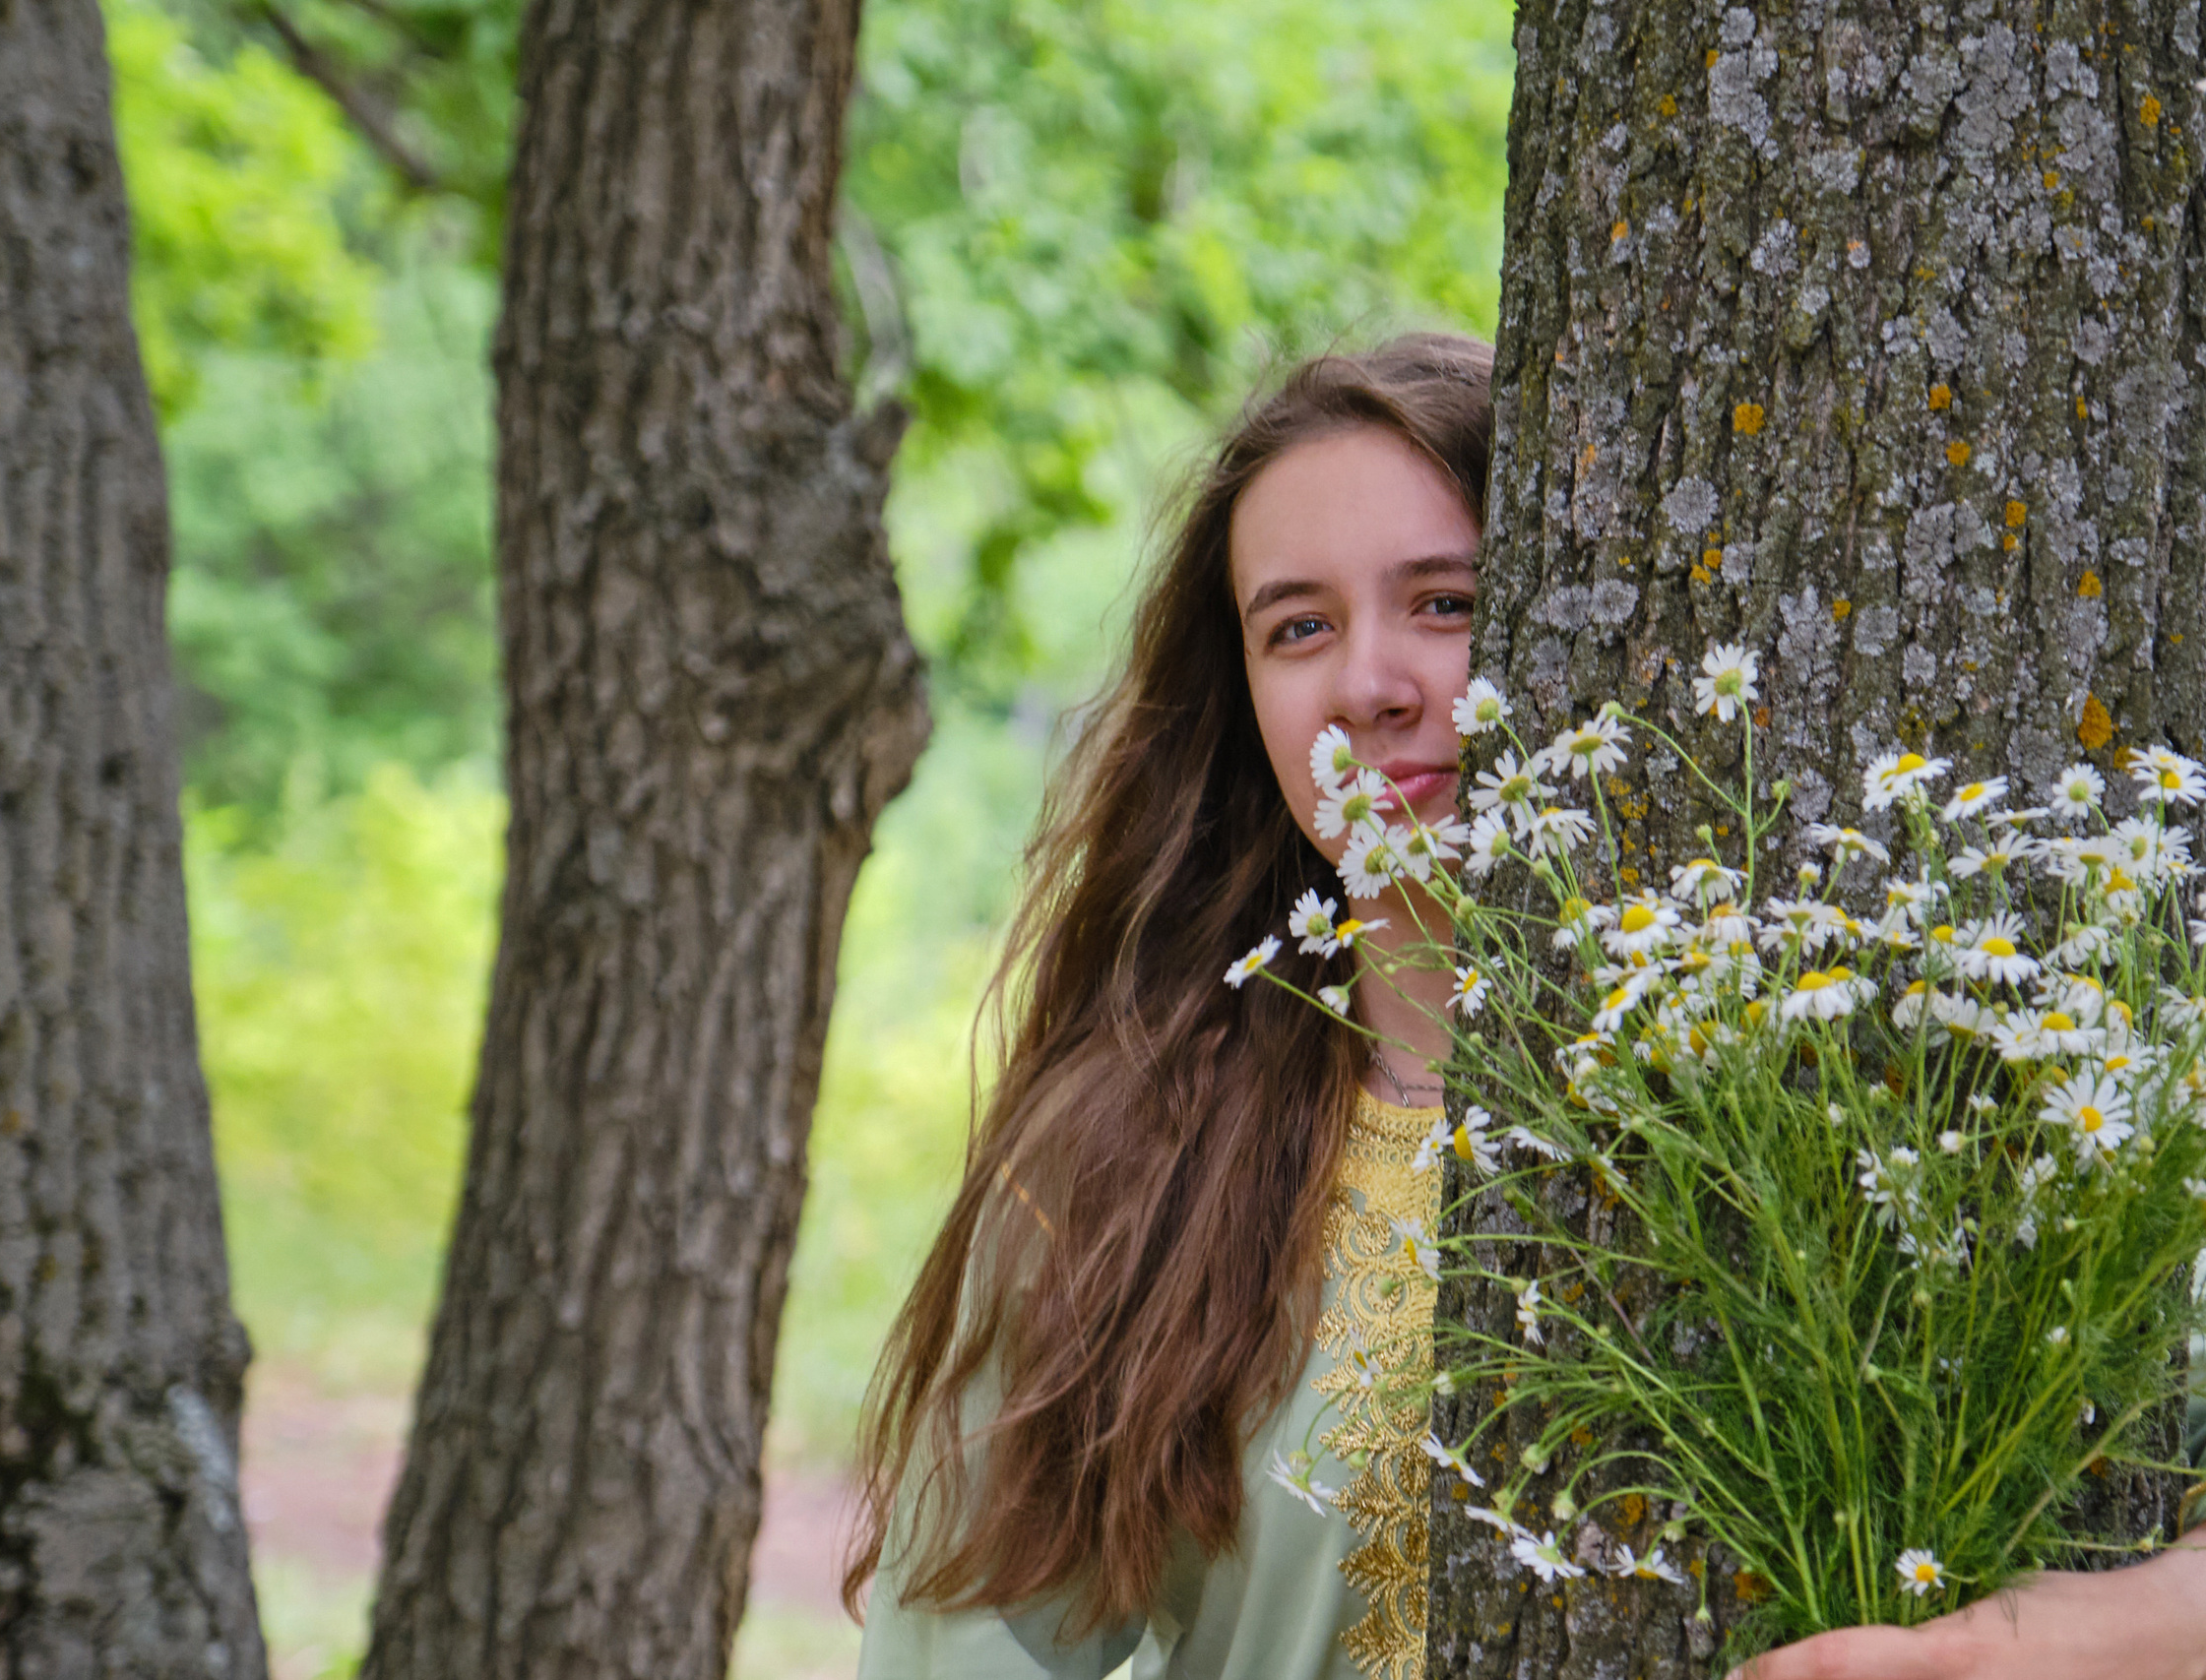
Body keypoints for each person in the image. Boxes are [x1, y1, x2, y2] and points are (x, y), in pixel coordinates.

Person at [843, 336, 2206, 1680]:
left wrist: (2044, 1646)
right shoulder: (1129, 1161)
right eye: (1298, 626)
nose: (1373, 686)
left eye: (1446, 600)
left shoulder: (1859, 1090)